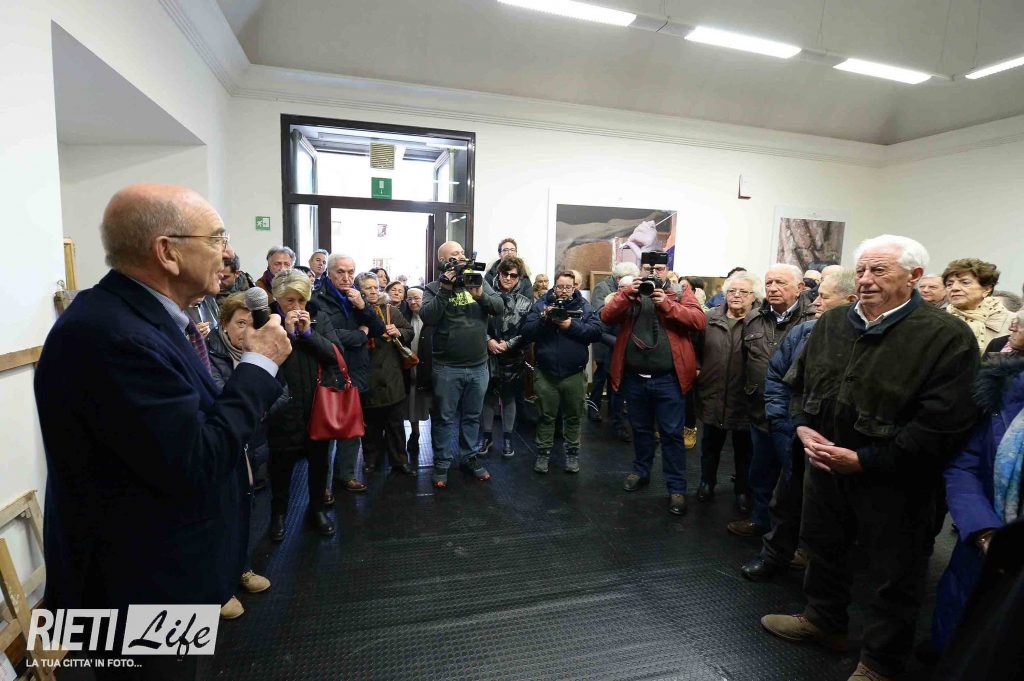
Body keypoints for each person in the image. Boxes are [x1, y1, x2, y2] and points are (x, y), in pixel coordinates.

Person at [34, 184, 290, 677]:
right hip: (135, 587)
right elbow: (196, 458)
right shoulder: (111, 335)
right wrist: (259, 366)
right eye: (216, 238)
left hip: (165, 572)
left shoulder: (146, 318)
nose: (228, 254)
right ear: (167, 252)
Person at [761, 235, 980, 681]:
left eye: (879, 270)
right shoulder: (832, 323)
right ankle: (823, 621)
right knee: (824, 548)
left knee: (894, 574)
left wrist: (866, 460)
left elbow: (943, 423)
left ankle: (881, 662)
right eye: (861, 270)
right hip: (826, 469)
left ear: (914, 276)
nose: (865, 279)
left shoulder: (946, 336)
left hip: (898, 481)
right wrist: (801, 425)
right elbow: (800, 385)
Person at [740, 269, 858, 583]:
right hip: (793, 430)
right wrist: (782, 420)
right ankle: (774, 555)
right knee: (786, 495)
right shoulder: (805, 332)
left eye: (824, 297)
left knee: (822, 503)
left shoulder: (870, 340)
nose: (815, 301)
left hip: (835, 440)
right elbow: (778, 376)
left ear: (850, 300)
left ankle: (808, 554)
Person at [931, 352, 1024, 655]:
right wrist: (985, 532)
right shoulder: (1007, 390)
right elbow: (965, 466)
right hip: (982, 540)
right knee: (957, 625)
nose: (1015, 329)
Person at [601, 252, 707, 516]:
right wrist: (627, 294)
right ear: (640, 270)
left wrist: (667, 304)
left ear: (667, 270)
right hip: (635, 378)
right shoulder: (630, 292)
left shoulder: (679, 292)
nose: (653, 273)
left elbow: (699, 321)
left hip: (669, 380)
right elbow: (606, 317)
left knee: (672, 434)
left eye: (658, 269)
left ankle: (676, 488)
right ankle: (641, 471)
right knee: (640, 429)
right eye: (648, 268)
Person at [206, 292, 285, 619]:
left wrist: (255, 409)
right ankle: (217, 588)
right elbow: (218, 400)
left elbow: (283, 393)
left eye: (252, 323)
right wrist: (254, 404)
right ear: (223, 324)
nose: (247, 331)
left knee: (246, 511)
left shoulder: (266, 351)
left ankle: (241, 568)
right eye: (240, 323)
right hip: (224, 446)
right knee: (220, 517)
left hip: (255, 445)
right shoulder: (210, 353)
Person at [726, 263, 815, 538]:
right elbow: (745, 363)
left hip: (794, 416)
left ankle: (791, 537)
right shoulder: (754, 318)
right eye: (769, 283)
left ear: (800, 288)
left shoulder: (813, 319)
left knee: (793, 478)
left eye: (781, 283)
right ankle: (760, 521)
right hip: (759, 411)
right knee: (761, 473)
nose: (773, 288)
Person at [266, 270, 346, 541]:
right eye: (290, 300)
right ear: (277, 299)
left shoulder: (318, 316)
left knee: (319, 463)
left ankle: (317, 509)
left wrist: (309, 334)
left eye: (301, 300)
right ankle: (278, 515)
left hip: (316, 403)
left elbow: (336, 355)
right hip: (283, 405)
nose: (297, 306)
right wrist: (288, 335)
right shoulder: (266, 320)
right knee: (281, 465)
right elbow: (264, 360)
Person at [421, 240, 503, 488]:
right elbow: (428, 317)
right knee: (444, 418)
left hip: (478, 365)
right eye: (454, 255)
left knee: (472, 416)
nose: (461, 257)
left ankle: (469, 457)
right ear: (444, 261)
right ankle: (442, 463)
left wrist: (480, 296)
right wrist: (446, 289)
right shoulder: (433, 287)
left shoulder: (478, 281)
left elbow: (499, 307)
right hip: (447, 366)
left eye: (462, 253)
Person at [314, 254, 386, 497]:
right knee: (326, 430)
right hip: (330, 371)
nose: (346, 277)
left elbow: (379, 329)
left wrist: (363, 307)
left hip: (357, 371)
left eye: (350, 272)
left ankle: (346, 474)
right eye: (340, 272)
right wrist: (360, 335)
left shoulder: (357, 296)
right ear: (329, 272)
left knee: (352, 428)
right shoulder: (317, 299)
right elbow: (327, 336)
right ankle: (321, 484)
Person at [522, 271, 604, 473]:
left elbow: (596, 332)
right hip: (546, 373)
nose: (564, 291)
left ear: (574, 287)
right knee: (545, 416)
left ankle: (572, 454)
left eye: (568, 287)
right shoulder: (542, 304)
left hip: (574, 373)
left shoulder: (584, 306)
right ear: (554, 286)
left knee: (574, 416)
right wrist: (545, 320)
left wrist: (570, 325)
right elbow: (527, 331)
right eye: (560, 287)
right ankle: (543, 454)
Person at [694, 271, 761, 512]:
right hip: (713, 391)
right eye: (732, 291)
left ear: (754, 296)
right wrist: (698, 369)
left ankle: (742, 490)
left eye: (743, 291)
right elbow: (695, 349)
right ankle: (706, 483)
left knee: (745, 450)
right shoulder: (709, 318)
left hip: (745, 395)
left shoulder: (761, 321)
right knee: (710, 445)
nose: (737, 295)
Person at [355, 271, 416, 476]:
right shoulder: (353, 313)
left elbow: (409, 331)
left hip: (391, 375)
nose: (373, 291)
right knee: (370, 425)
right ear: (359, 290)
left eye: (375, 287)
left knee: (396, 424)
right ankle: (371, 461)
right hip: (366, 377)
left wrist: (399, 332)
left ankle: (400, 461)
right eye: (368, 288)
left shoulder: (390, 310)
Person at [477, 256, 533, 458]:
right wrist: (488, 340)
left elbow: (528, 330)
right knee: (488, 397)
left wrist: (509, 344)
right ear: (498, 274)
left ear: (519, 278)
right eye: (505, 274)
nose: (508, 278)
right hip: (487, 354)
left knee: (509, 398)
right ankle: (487, 437)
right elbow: (476, 322)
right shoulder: (485, 296)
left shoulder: (526, 302)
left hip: (513, 355)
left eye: (513, 275)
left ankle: (508, 438)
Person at [588, 262, 639, 441]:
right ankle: (595, 408)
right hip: (609, 346)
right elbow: (601, 317)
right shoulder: (604, 290)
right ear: (618, 281)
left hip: (625, 349)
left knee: (617, 385)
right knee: (603, 377)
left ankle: (615, 414)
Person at [943, 257, 1013, 354]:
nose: (954, 288)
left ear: (987, 289)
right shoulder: (936, 320)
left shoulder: (1013, 322)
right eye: (949, 284)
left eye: (965, 283)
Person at [402, 286, 432, 458]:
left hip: (429, 369)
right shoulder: (404, 318)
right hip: (411, 368)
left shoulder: (432, 319)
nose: (413, 302)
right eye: (409, 299)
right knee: (412, 403)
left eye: (417, 298)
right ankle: (415, 433)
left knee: (431, 402)